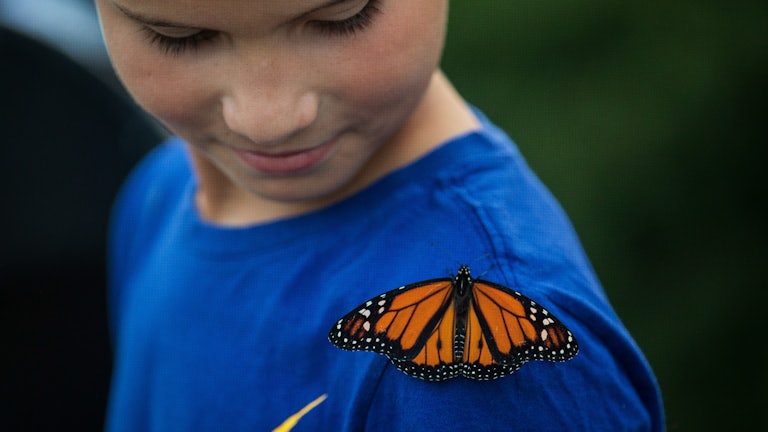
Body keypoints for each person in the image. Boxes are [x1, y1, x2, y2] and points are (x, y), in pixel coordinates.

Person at [96, 0, 665, 430]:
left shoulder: (493, 374)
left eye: (344, 16)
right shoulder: (162, 190)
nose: (268, 119)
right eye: (178, 35)